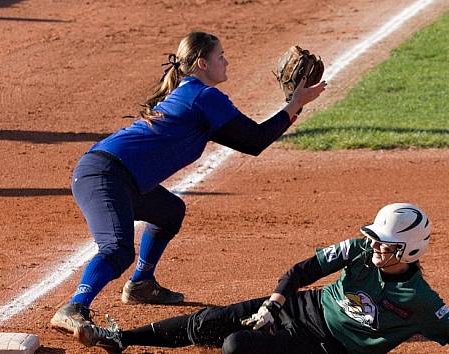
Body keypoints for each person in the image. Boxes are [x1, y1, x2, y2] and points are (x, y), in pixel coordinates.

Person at [50, 31, 327, 335]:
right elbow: (256, 140)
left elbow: (250, 141)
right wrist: (296, 103)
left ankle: (141, 284)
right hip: (105, 174)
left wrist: (294, 104)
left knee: (169, 211)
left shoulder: (195, 97)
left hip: (122, 178)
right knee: (117, 248)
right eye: (220, 56)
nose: (226, 61)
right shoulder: (204, 96)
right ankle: (74, 307)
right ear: (202, 63)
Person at [72, 203, 449, 354]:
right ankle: (122, 339)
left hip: (329, 347)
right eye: (377, 240)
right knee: (210, 321)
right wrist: (273, 304)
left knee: (237, 345)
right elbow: (302, 271)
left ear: (411, 250)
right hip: (301, 307)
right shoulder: (362, 250)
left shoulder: (421, 299)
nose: (377, 247)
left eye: (388, 245)